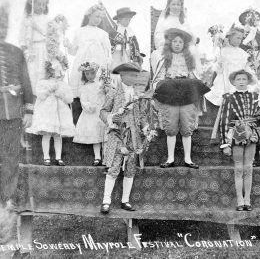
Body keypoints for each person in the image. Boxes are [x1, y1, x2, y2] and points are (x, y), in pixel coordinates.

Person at [151, 28, 209, 169]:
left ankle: (188, 159)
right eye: (175, 41)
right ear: (170, 43)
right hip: (170, 94)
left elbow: (194, 76)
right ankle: (170, 159)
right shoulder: (164, 59)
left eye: (180, 42)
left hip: (186, 94)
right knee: (170, 127)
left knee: (186, 126)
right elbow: (159, 78)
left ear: (184, 44)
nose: (177, 44)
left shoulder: (189, 60)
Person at [99, 62, 152, 214]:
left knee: (130, 167)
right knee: (114, 167)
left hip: (133, 137)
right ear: (122, 75)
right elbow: (103, 111)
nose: (135, 78)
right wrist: (112, 118)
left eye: (136, 75)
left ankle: (125, 200)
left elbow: (141, 115)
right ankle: (106, 200)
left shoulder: (137, 95)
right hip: (117, 134)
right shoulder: (113, 92)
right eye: (132, 75)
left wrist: (146, 128)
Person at [0, 0, 34, 203]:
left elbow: (26, 82)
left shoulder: (16, 52)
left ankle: (7, 197)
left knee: (11, 157)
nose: (1, 29)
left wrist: (29, 111)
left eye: (4, 26)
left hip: (12, 113)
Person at [219, 69, 260, 211]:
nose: (241, 82)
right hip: (237, 134)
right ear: (234, 82)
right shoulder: (229, 98)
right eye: (238, 79)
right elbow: (224, 120)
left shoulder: (255, 96)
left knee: (249, 167)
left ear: (248, 81)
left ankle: (248, 200)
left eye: (244, 79)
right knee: (239, 167)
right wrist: (225, 143)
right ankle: (240, 200)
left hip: (251, 134)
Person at [64, 4, 112, 124]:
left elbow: (107, 54)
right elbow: (73, 51)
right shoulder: (80, 32)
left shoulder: (103, 34)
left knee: (96, 92)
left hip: (97, 65)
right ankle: (78, 126)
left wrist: (106, 69)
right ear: (89, 15)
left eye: (100, 17)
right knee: (80, 93)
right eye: (96, 16)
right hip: (82, 64)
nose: (98, 20)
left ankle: (97, 125)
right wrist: (68, 44)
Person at [26, 60, 75, 165]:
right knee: (47, 134)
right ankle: (46, 157)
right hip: (47, 113)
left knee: (58, 136)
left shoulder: (63, 84)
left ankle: (58, 157)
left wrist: (60, 93)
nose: (56, 74)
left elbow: (70, 99)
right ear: (48, 71)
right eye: (53, 71)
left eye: (58, 71)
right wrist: (49, 89)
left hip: (60, 114)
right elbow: (40, 95)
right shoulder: (43, 83)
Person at [205, 26, 250, 106]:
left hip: (238, 79)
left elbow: (244, 68)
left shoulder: (242, 53)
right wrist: (220, 63)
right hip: (225, 78)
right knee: (224, 98)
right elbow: (218, 69)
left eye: (241, 39)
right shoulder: (224, 51)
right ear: (230, 37)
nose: (239, 41)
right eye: (237, 38)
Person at [73, 62, 106, 166]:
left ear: (96, 73)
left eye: (92, 73)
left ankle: (106, 157)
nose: (89, 76)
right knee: (95, 135)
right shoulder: (84, 87)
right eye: (87, 74)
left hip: (101, 110)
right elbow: (83, 100)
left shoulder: (101, 84)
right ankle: (97, 157)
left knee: (104, 134)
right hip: (91, 112)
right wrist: (88, 106)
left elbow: (106, 96)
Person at [19, 0, 50, 96]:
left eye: (43, 4)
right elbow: (22, 38)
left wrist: (37, 27)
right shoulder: (27, 19)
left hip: (44, 50)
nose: (41, 7)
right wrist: (26, 51)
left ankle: (42, 100)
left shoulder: (47, 19)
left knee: (43, 74)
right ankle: (32, 100)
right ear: (32, 4)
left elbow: (50, 36)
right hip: (32, 51)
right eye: (38, 4)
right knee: (32, 75)